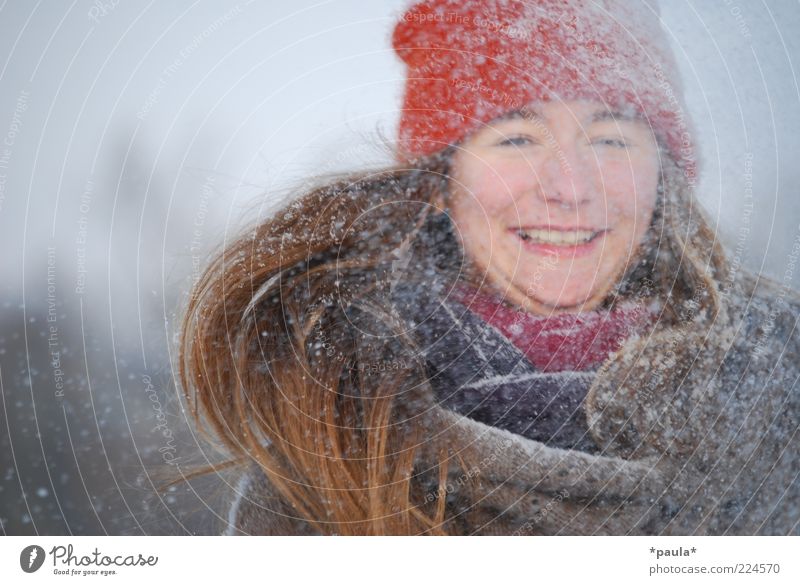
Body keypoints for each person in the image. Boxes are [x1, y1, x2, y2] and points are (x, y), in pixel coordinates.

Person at [178, 0, 800, 535]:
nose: (569, 187)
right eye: (517, 138)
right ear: (442, 180)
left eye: (611, 138)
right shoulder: (334, 447)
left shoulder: (780, 408)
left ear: (662, 181)